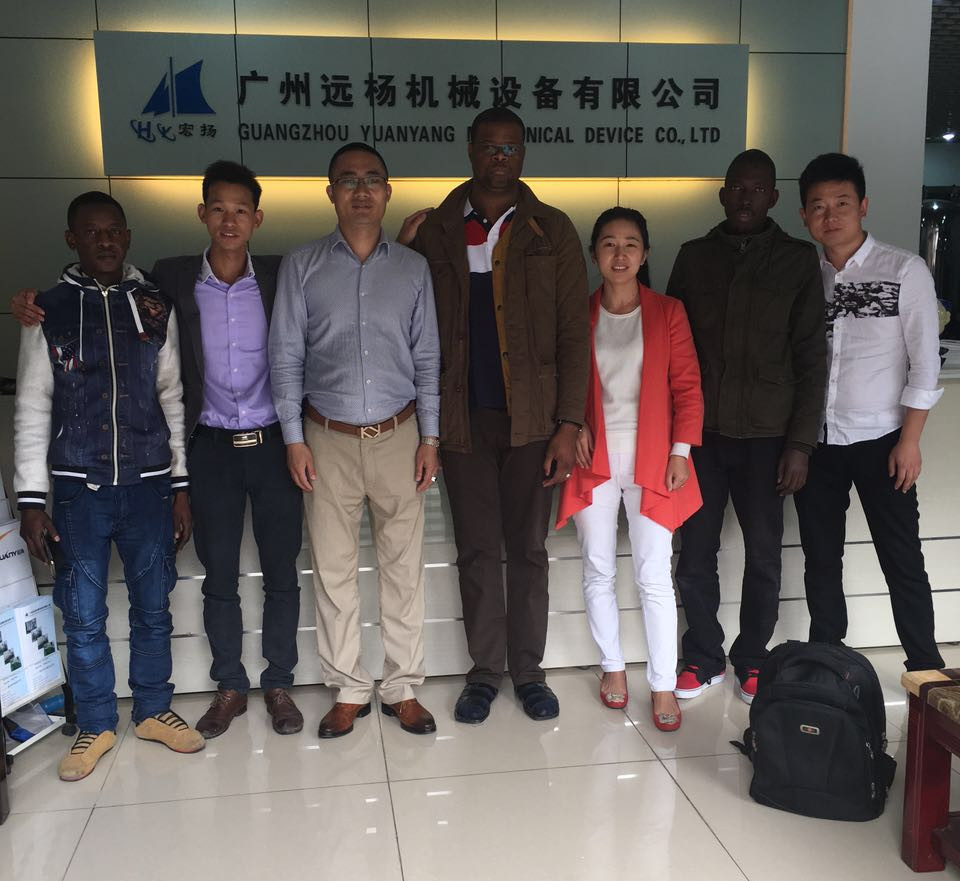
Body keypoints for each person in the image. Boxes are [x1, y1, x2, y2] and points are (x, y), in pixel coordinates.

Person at [12, 162, 306, 739]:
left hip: (275, 446)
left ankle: (278, 684)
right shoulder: (168, 280)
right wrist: (31, 301)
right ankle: (229, 685)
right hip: (210, 451)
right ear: (201, 214)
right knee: (218, 574)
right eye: (217, 209)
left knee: (281, 572)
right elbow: (104, 286)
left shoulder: (283, 274)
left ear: (257, 218)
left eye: (240, 210)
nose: (228, 221)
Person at [400, 107, 589, 724]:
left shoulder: (551, 229)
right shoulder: (436, 229)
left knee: (528, 550)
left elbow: (573, 333)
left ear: (524, 153)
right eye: (489, 147)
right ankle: (484, 672)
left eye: (511, 148)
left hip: (533, 421)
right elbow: (407, 315)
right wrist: (401, 247)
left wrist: (569, 423)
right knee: (477, 551)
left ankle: (528, 673)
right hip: (461, 420)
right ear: (470, 150)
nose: (500, 158)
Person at [13, 191, 204, 782]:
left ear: (127, 236)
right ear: (72, 239)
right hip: (78, 490)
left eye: (114, 230)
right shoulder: (47, 311)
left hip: (148, 486)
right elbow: (32, 406)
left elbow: (171, 396)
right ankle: (95, 723)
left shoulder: (154, 306)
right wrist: (31, 501)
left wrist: (180, 485)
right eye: (92, 232)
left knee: (153, 606)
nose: (105, 240)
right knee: (82, 614)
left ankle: (152, 710)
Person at [269, 143, 441, 738]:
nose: (361, 190)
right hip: (326, 438)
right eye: (348, 180)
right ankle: (348, 688)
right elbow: (285, 357)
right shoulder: (302, 266)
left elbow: (427, 356)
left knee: (403, 569)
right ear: (331, 193)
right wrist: (293, 438)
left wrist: (431, 436)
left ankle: (402, 687)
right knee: (333, 570)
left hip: (400, 435)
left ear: (388, 193)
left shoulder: (412, 269)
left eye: (372, 180)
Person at [666, 149, 827, 705]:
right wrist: (674, 440)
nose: (745, 197)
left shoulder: (797, 261)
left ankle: (754, 658)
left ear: (773, 197)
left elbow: (812, 358)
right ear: (722, 193)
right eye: (737, 187)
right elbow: (672, 352)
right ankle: (702, 656)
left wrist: (800, 444)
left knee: (763, 555)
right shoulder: (694, 257)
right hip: (702, 437)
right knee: (695, 554)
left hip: (768, 438)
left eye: (758, 189)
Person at [795, 152, 944, 672]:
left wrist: (910, 440)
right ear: (804, 215)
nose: (830, 215)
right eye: (818, 206)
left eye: (841, 203)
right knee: (821, 558)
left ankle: (925, 668)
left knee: (901, 558)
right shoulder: (802, 276)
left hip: (884, 441)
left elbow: (925, 363)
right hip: (817, 442)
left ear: (863, 206)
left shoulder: (904, 269)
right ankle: (828, 663)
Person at [556, 207, 703, 731]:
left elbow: (688, 386)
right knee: (597, 566)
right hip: (592, 459)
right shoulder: (578, 313)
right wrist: (572, 424)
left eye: (631, 244)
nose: (620, 254)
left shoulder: (668, 312)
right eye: (609, 244)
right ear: (594, 253)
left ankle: (662, 684)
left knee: (653, 574)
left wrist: (681, 452)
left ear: (644, 254)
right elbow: (562, 381)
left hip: (655, 459)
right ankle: (613, 667)